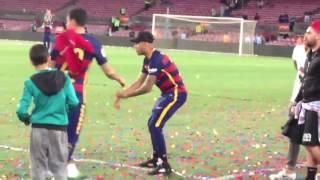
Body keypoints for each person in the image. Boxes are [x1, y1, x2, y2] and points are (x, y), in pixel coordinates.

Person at [50, 8, 126, 178]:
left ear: (72, 21)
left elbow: (49, 66)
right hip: (76, 94)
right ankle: (65, 163)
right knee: (72, 131)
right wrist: (120, 80)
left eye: (67, 20)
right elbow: (108, 71)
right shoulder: (93, 42)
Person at [114, 31, 187, 175]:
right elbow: (139, 81)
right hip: (168, 94)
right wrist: (124, 93)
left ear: (145, 44)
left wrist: (127, 95)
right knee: (152, 124)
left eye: (136, 43)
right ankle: (156, 159)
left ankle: (164, 164)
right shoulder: (148, 60)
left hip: (176, 94)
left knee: (156, 125)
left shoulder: (157, 60)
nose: (134, 46)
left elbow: (147, 87)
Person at [16, 44, 79, 180]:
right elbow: (74, 101)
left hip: (39, 128)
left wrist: (27, 118)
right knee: (59, 168)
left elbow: (21, 110)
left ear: (31, 61)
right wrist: (63, 111)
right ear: (49, 58)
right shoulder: (64, 78)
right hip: (59, 128)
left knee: (38, 168)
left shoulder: (30, 82)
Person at [269, 36, 307, 180]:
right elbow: (297, 69)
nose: (305, 37)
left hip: (315, 102)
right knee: (293, 133)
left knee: (314, 138)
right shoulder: (298, 50)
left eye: (310, 33)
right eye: (306, 33)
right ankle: (290, 170)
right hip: (297, 99)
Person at [294, 21, 320, 180]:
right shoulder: (311, 55)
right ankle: (310, 177)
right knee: (311, 143)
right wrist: (297, 100)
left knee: (309, 142)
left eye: (309, 32)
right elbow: (305, 81)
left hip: (316, 105)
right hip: (308, 103)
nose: (305, 35)